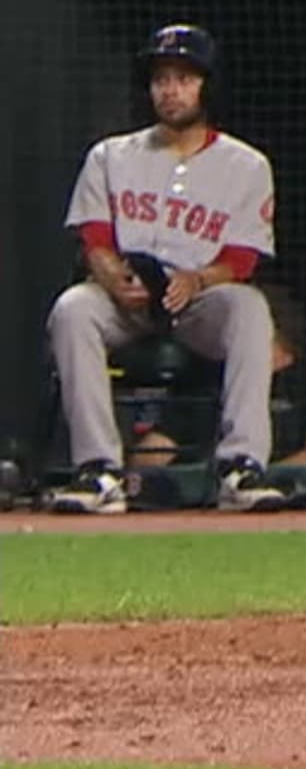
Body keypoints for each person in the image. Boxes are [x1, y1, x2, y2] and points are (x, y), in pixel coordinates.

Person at [45, 26, 286, 516]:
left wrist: (197, 279)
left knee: (249, 307)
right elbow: (94, 239)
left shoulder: (246, 165)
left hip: (198, 301)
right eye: (160, 79)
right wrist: (113, 279)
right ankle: (99, 470)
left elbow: (241, 260)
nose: (170, 90)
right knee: (73, 309)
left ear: (207, 87)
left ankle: (240, 466)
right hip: (124, 299)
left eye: (183, 78)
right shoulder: (110, 156)